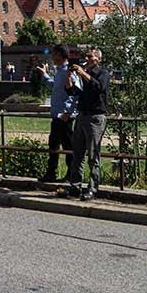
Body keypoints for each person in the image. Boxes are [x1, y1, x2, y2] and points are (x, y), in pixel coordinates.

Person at [63, 48, 110, 201]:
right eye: (86, 56)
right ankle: (75, 187)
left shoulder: (103, 73)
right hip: (82, 115)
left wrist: (83, 73)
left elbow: (98, 87)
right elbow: (72, 92)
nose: (87, 58)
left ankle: (93, 188)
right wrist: (69, 76)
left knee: (93, 154)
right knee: (77, 154)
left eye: (90, 56)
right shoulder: (82, 75)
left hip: (95, 117)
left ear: (98, 59)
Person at [36, 45, 80, 183]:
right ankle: (51, 173)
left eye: (54, 54)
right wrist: (45, 75)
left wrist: (68, 112)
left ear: (60, 55)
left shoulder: (69, 71)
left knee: (68, 146)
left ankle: (71, 175)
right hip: (56, 115)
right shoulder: (59, 71)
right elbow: (55, 86)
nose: (52, 57)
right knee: (53, 145)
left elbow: (75, 94)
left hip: (64, 116)